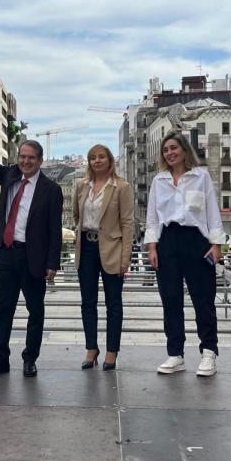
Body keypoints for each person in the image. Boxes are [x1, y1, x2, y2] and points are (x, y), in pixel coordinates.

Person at [0, 111, 63, 378]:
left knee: (36, 311)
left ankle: (30, 359)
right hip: (7, 254)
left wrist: (52, 264)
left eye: (31, 158)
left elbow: (55, 231)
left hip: (34, 258)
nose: (26, 162)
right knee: (3, 309)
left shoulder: (51, 190)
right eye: (22, 157)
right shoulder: (9, 176)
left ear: (40, 161)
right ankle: (0, 359)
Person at [144, 130, 226, 377]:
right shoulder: (159, 181)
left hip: (196, 240)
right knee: (171, 300)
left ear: (184, 150)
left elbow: (212, 211)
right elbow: (152, 217)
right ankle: (175, 354)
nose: (169, 153)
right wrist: (152, 247)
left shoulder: (201, 177)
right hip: (168, 241)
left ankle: (209, 352)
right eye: (165, 150)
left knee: (203, 299)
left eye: (173, 148)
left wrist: (217, 244)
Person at [73, 144, 134, 371]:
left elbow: (127, 224)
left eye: (101, 157)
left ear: (109, 160)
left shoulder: (121, 187)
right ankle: (91, 348)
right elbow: (77, 215)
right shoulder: (81, 186)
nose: (96, 161)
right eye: (92, 158)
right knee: (87, 303)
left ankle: (111, 351)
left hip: (111, 249)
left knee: (113, 304)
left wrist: (125, 258)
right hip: (86, 249)